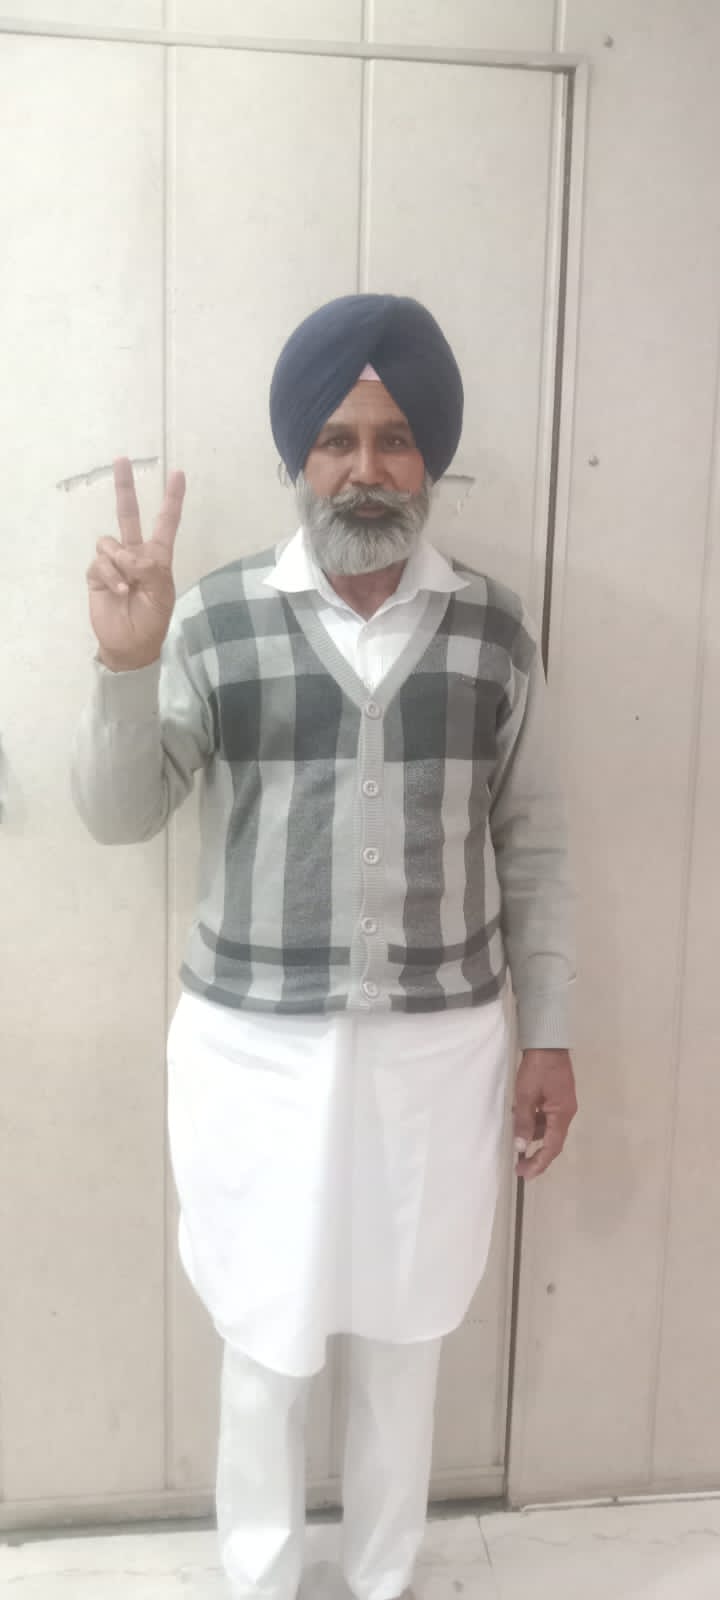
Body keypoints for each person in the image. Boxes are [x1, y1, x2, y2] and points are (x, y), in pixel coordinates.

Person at [71, 293, 577, 1600]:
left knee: (408, 1334)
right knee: (267, 1332)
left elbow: (534, 843)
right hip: (257, 1050)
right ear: (299, 453)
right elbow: (121, 816)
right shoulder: (215, 617)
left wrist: (553, 1034)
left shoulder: (492, 630)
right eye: (338, 438)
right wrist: (125, 666)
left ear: (430, 456)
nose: (365, 468)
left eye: (396, 438)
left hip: (440, 1048)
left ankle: (385, 1576)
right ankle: (260, 1578)